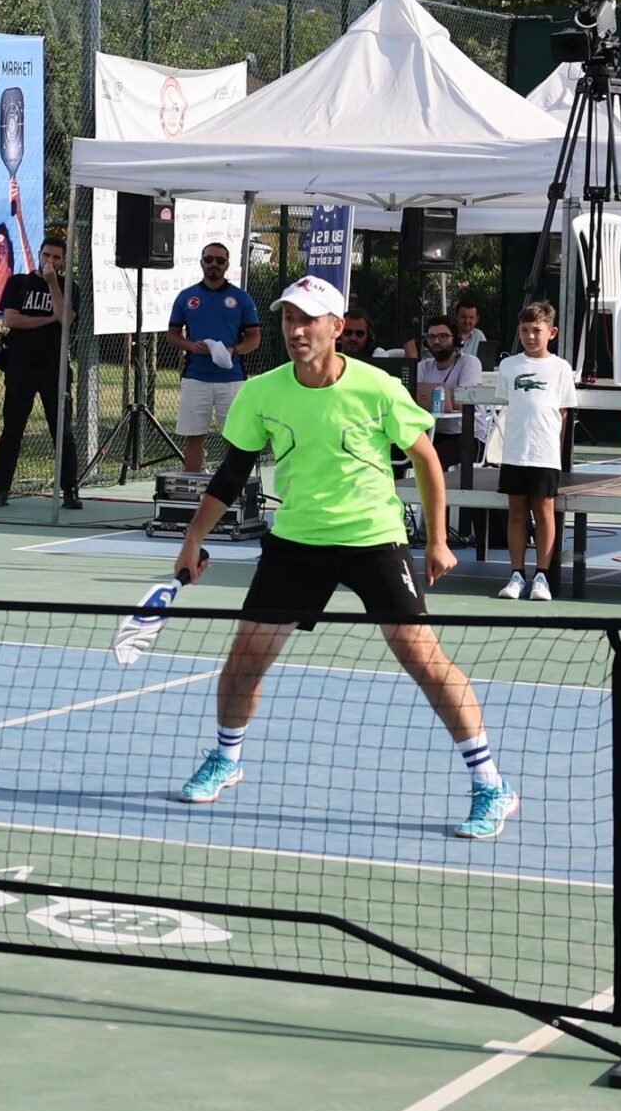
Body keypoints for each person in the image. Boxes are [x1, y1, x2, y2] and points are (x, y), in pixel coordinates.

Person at [164, 276, 514, 840]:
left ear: (335, 326)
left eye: (309, 320)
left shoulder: (377, 388)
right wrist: (192, 539)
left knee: (423, 658)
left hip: (372, 537)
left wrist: (440, 539)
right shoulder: (263, 392)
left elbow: (424, 458)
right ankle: (227, 759)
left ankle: (491, 784)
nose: (297, 331)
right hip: (296, 543)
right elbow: (231, 474)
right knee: (246, 655)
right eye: (288, 320)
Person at [0, 235, 82, 510]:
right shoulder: (19, 283)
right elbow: (12, 318)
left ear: (63, 261)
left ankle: (70, 490)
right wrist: (50, 318)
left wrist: (52, 284)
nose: (50, 261)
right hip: (20, 366)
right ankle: (1, 488)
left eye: (56, 257)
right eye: (46, 255)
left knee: (62, 430)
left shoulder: (68, 286)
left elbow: (66, 319)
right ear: (38, 254)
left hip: (54, 368)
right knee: (12, 429)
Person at [491, 302, 575, 602]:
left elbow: (563, 414)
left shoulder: (561, 368)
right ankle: (516, 575)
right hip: (515, 454)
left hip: (545, 456)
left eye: (537, 330)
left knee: (544, 513)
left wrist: (556, 452)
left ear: (551, 332)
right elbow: (506, 407)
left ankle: (542, 577)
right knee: (516, 514)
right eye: (525, 331)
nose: (530, 336)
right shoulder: (509, 366)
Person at [167, 242, 262, 473]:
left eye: (220, 261)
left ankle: (229, 490)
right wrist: (190, 345)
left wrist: (234, 351)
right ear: (201, 262)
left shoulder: (241, 299)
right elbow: (172, 334)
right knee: (194, 436)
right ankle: (192, 487)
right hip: (196, 378)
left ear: (227, 265)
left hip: (232, 379)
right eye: (209, 259)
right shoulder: (187, 297)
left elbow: (254, 338)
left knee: (233, 437)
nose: (214, 265)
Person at [411, 313, 484, 472]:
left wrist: (436, 399)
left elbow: (464, 400)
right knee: (396, 450)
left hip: (468, 436)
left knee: (433, 457)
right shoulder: (424, 366)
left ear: (456, 339)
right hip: (432, 432)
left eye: (443, 336)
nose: (436, 341)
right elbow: (410, 398)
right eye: (431, 337)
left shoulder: (469, 363)